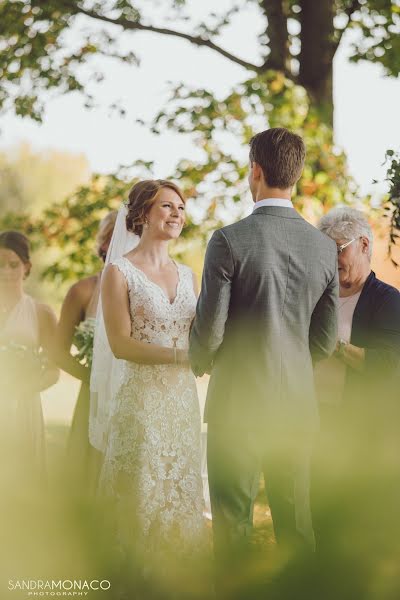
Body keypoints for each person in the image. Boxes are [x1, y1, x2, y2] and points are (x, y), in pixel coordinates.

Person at [189, 128, 338, 583]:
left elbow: (210, 332)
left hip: (237, 402)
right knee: (296, 524)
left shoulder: (228, 240)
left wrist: (198, 361)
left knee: (232, 523)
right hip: (295, 405)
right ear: (295, 175)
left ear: (255, 171)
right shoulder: (325, 247)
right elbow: (325, 342)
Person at [91, 180, 205, 582]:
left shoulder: (189, 275)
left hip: (183, 405)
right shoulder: (119, 273)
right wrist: (183, 357)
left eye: (181, 208)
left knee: (180, 495)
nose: (177, 214)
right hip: (141, 404)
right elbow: (121, 345)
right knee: (141, 496)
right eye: (167, 207)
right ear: (141, 215)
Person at [313, 207, 400, 559]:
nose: (332, 259)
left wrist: (335, 347)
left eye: (338, 249)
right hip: (315, 421)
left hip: (359, 429)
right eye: (325, 251)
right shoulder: (318, 296)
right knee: (319, 523)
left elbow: (390, 364)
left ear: (364, 244)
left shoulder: (388, 300)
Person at [55, 211, 117, 489]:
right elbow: (58, 351)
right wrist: (93, 377)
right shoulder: (82, 291)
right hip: (93, 396)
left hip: (136, 394)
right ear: (103, 244)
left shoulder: (145, 289)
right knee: (88, 473)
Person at [0, 231, 59, 486]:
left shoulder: (41, 313)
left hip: (23, 407)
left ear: (26, 267)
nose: (5, 271)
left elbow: (53, 371)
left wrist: (20, 389)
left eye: (13, 264)